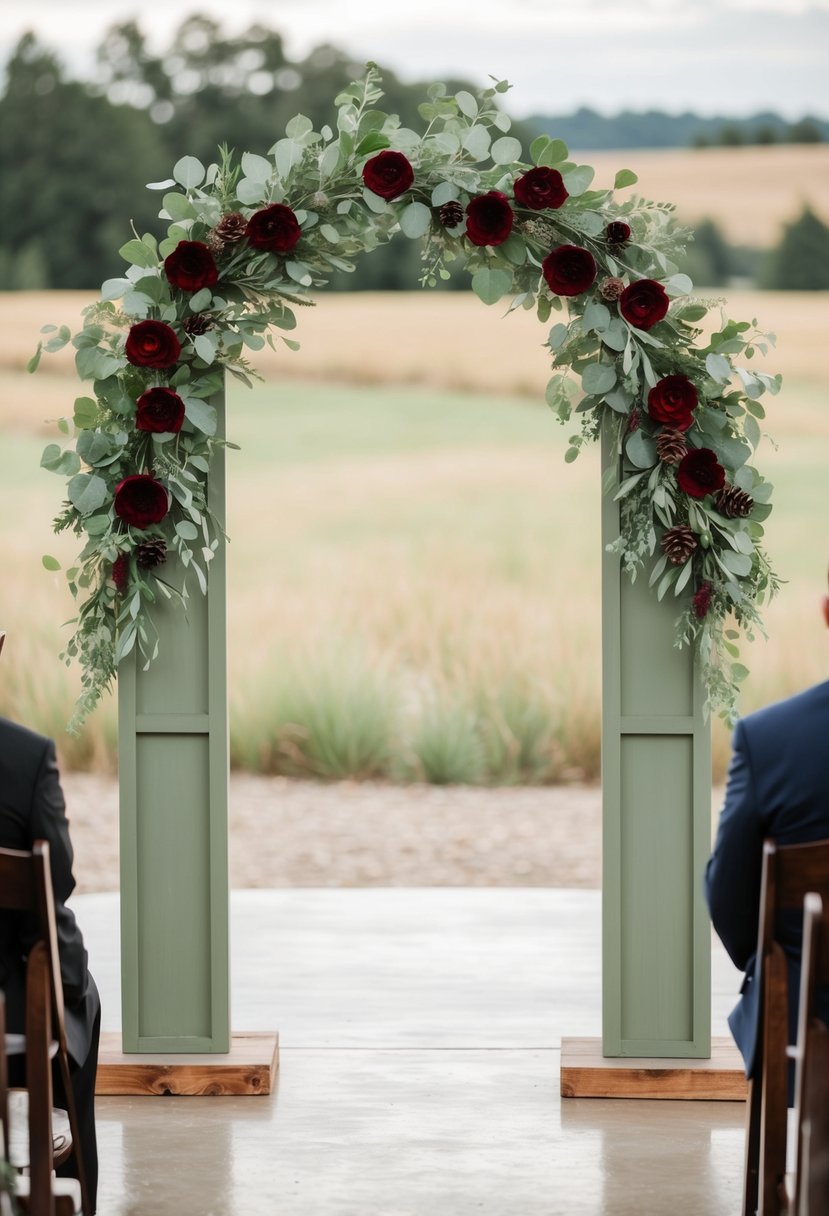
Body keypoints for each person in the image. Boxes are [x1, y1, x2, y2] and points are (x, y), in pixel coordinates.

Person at [704, 587, 829, 1089]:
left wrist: (767, 964)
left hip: (805, 1017)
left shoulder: (770, 739)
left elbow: (729, 896)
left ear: (826, 610)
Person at [0, 631, 100, 1211]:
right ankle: (73, 1181)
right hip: (17, 1005)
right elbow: (56, 880)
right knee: (79, 993)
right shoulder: (25, 756)